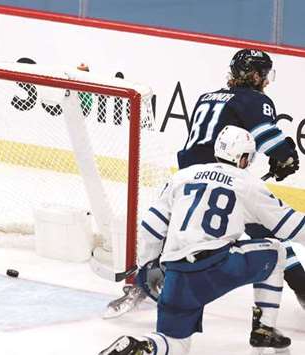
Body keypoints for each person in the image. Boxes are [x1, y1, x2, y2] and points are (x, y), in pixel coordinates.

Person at [103, 48, 303, 318]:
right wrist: (286, 157)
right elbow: (268, 137)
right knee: (271, 240)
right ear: (254, 75)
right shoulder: (254, 99)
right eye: (264, 74)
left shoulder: (206, 97)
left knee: (161, 230)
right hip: (222, 182)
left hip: (185, 176)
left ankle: (139, 286)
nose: (266, 80)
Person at [99, 125, 304, 355]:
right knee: (277, 252)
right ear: (244, 158)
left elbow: (151, 226)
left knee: (174, 345)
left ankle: (140, 346)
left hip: (176, 273)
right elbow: (292, 225)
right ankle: (264, 329)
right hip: (217, 267)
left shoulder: (182, 176)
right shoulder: (247, 184)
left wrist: (148, 265)